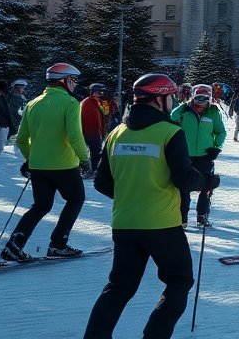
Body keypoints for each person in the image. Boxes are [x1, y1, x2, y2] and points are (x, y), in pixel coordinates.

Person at [83, 73, 215, 339]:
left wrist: (132, 194)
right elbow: (184, 178)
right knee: (179, 280)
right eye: (171, 97)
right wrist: (208, 180)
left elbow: (101, 183)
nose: (173, 101)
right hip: (161, 224)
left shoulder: (117, 133)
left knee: (119, 287)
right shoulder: (170, 132)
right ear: (160, 99)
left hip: (125, 222)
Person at [1, 63, 90, 261]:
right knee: (75, 199)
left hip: (39, 166)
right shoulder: (70, 103)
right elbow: (75, 136)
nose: (75, 84)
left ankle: (14, 245)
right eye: (74, 80)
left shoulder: (33, 103)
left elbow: (22, 138)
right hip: (64, 165)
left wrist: (30, 158)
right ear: (65, 80)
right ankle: (58, 244)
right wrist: (85, 159)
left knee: (41, 206)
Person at [171, 83, 226, 228]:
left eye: (205, 99)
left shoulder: (213, 113)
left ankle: (202, 216)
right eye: (198, 99)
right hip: (186, 156)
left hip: (204, 156)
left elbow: (221, 132)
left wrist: (216, 147)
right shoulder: (185, 111)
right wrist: (184, 106)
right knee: (184, 188)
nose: (201, 104)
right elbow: (172, 117)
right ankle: (182, 218)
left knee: (205, 187)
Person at [81, 83, 111, 177]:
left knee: (96, 152)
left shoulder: (99, 102)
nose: (99, 94)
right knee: (92, 152)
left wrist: (105, 103)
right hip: (89, 131)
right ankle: (88, 170)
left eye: (101, 92)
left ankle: (93, 170)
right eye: (98, 92)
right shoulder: (87, 102)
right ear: (92, 92)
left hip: (98, 130)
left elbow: (106, 112)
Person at [0, 80, 14, 174]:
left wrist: (11, 125)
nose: (1, 93)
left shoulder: (1, 97)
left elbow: (7, 112)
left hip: (2, 127)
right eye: (0, 91)